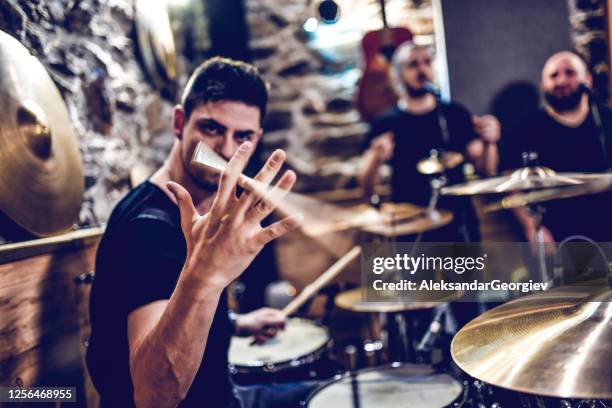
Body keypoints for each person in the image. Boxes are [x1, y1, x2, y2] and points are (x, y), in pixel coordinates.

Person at [87, 57, 311, 408]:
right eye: (211, 128)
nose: (225, 150)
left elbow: (173, 311)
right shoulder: (150, 230)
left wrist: (235, 323)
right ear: (179, 122)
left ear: (258, 137)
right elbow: (153, 396)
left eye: (243, 136)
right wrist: (207, 276)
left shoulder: (179, 213)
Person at [358, 42, 500, 242]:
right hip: (410, 226)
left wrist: (490, 143)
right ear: (397, 74)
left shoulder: (454, 114)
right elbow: (366, 185)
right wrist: (375, 158)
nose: (422, 69)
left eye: (426, 62)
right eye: (413, 64)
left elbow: (486, 169)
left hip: (459, 223)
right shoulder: (385, 122)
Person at [501, 51, 612, 244]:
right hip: (556, 238)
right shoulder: (525, 129)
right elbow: (512, 186)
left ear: (588, 79)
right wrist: (532, 227)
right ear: (543, 84)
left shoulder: (607, 120)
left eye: (570, 73)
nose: (561, 81)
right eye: (553, 75)